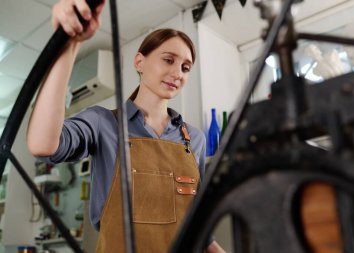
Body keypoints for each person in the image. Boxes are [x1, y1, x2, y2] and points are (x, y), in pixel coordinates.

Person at [27, 0, 225, 252]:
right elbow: (42, 144)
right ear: (139, 62)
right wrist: (69, 43)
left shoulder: (192, 138)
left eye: (186, 67)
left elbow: (200, 227)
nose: (178, 73)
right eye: (168, 60)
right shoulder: (103, 123)